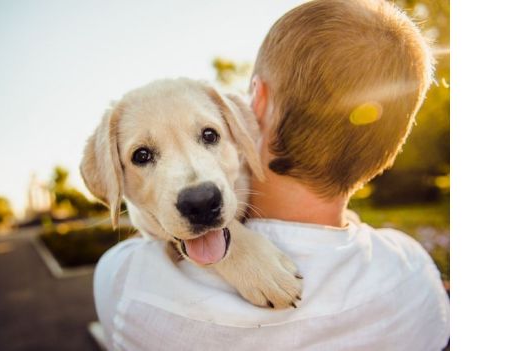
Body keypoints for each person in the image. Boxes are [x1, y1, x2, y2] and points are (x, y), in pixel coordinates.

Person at [93, 0, 449, 350]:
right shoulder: (415, 271)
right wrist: (234, 247)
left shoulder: (127, 283)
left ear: (256, 102)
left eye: (209, 135)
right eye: (143, 155)